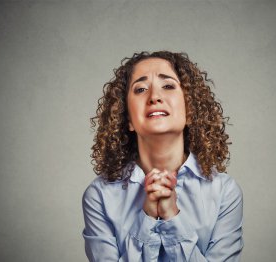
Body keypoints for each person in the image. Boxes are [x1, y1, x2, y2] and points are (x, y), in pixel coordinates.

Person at [82, 51, 243, 261]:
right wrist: (147, 217)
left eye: (168, 86)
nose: (154, 97)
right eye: (140, 89)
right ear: (127, 119)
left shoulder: (224, 193)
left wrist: (171, 217)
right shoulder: (99, 196)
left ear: (191, 110)